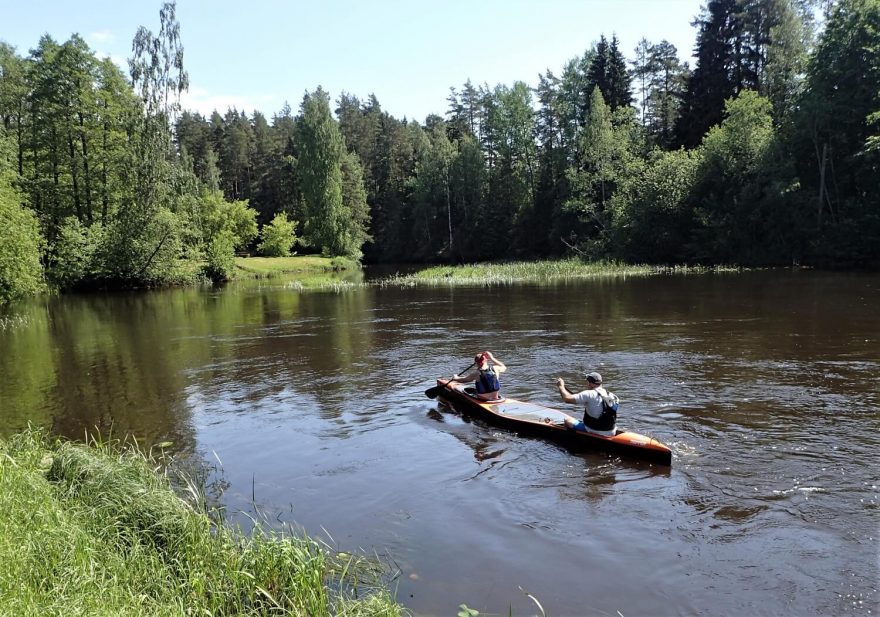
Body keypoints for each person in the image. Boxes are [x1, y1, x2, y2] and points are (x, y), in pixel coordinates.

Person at [555, 371, 618, 435]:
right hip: (611, 431)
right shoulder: (614, 396)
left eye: (587, 382)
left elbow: (567, 399)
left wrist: (561, 386)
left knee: (567, 420)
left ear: (589, 383)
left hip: (592, 430)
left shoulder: (588, 394)